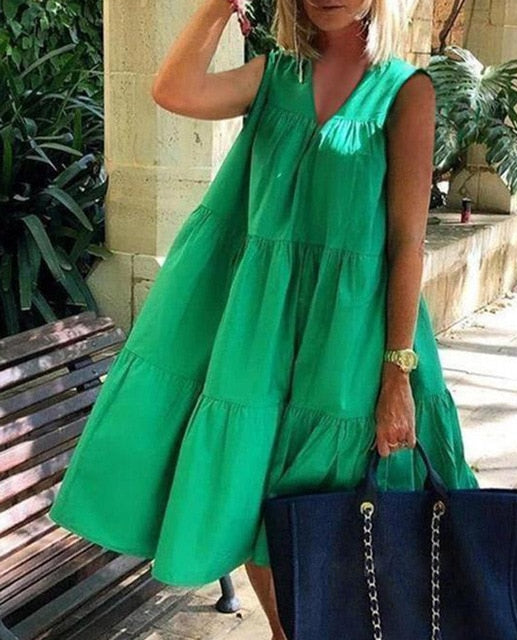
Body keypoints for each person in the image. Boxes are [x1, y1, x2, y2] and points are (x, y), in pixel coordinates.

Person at [48, 1, 479, 638]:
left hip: (351, 339)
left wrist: (397, 374)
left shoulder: (405, 90)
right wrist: (217, 8)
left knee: (334, 500)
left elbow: (407, 243)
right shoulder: (275, 75)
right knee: (256, 495)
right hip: (260, 330)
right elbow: (174, 90)